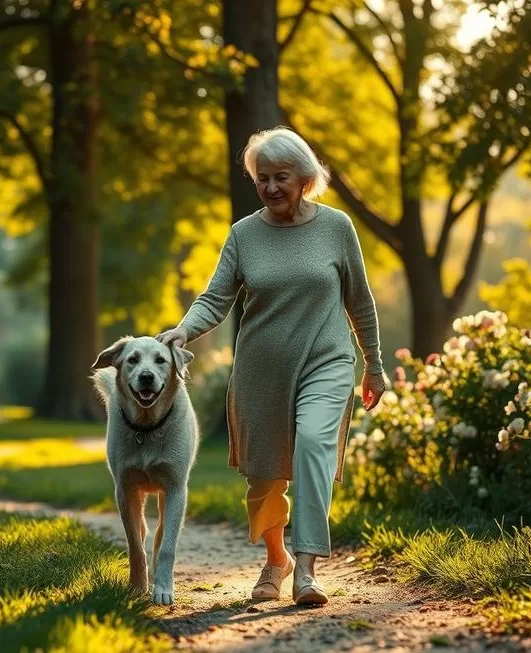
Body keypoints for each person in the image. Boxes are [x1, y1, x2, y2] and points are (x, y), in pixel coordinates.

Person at [156, 126, 386, 605]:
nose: (271, 186)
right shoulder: (244, 234)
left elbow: (360, 302)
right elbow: (215, 298)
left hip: (327, 360)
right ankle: (276, 559)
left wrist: (374, 365)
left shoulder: (337, 228)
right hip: (260, 372)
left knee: (313, 446)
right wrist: (183, 330)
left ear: (304, 178)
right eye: (263, 177)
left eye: (281, 176)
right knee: (264, 479)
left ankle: (307, 569)